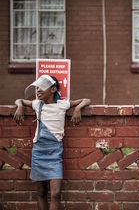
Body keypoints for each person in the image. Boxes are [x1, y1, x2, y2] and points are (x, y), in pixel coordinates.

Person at [13, 75, 91, 210]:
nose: (38, 91)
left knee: (56, 193)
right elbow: (18, 100)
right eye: (36, 88)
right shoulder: (37, 104)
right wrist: (19, 106)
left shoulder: (63, 104)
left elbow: (86, 100)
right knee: (41, 192)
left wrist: (78, 109)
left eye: (42, 87)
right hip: (39, 152)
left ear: (53, 89)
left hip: (55, 153)